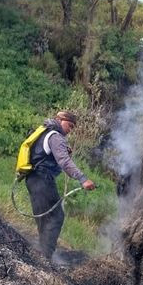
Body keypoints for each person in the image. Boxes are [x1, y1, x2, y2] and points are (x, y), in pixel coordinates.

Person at [25, 110, 95, 261]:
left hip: (32, 179)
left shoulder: (46, 132)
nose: (70, 130)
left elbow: (48, 157)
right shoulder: (56, 137)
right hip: (42, 179)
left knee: (44, 217)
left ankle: (41, 252)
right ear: (60, 120)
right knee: (56, 216)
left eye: (73, 127)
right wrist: (83, 179)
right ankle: (46, 257)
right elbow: (64, 161)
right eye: (70, 125)